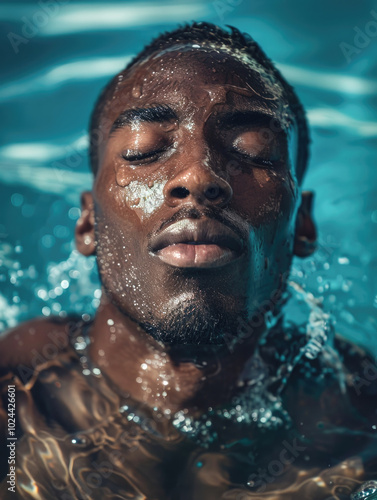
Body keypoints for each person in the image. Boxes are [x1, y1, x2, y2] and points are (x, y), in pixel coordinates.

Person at [0, 22, 376, 500]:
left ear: (303, 225)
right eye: (145, 151)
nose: (198, 175)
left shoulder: (359, 415)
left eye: (250, 151)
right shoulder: (15, 393)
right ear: (88, 222)